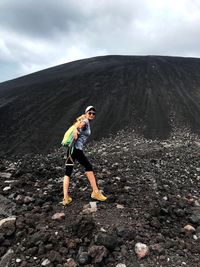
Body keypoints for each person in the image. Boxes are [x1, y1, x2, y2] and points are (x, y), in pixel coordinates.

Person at [62, 105, 107, 205]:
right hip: (77, 149)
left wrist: (75, 129)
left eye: (93, 113)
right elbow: (79, 126)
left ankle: (65, 198)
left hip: (70, 149)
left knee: (68, 172)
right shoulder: (85, 121)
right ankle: (95, 192)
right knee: (88, 167)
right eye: (89, 113)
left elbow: (78, 127)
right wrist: (75, 130)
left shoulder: (82, 120)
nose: (91, 115)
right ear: (86, 113)